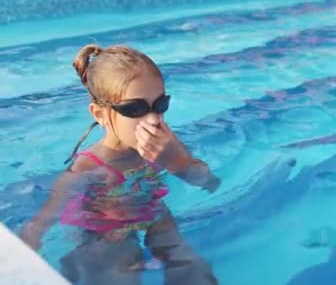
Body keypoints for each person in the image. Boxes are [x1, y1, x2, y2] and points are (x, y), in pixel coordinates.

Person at [20, 44, 220, 285]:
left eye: (160, 105)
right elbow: (40, 223)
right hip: (106, 229)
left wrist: (180, 161)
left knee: (191, 265)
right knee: (119, 267)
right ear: (100, 114)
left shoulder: (165, 147)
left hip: (155, 214)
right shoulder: (88, 168)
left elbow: (210, 183)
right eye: (135, 109)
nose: (153, 119)